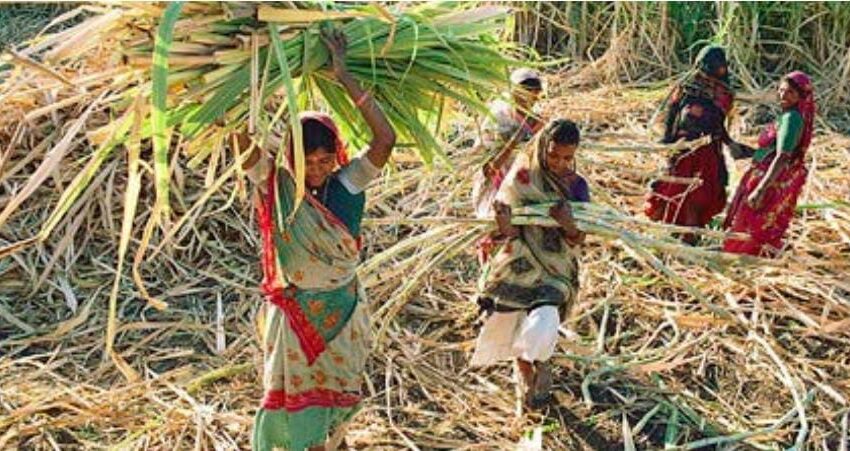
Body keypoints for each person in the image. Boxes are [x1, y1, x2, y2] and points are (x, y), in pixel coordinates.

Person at [243, 28, 396, 451]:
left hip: (341, 314)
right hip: (294, 319)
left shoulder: (348, 184)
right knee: (298, 408)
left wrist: (343, 75)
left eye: (325, 159)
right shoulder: (276, 187)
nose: (316, 169)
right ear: (290, 156)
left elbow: (385, 139)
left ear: (337, 157)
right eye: (306, 160)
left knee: (334, 407)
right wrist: (250, 75)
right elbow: (242, 144)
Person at [470, 119, 590, 410]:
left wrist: (568, 225)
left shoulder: (576, 186)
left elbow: (578, 240)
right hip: (518, 261)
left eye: (567, 158)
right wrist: (505, 225)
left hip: (556, 267)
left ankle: (532, 359)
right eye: (553, 155)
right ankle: (525, 375)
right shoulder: (521, 178)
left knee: (542, 323)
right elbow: (505, 235)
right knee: (511, 319)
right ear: (541, 146)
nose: (559, 163)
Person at [644, 45, 749, 243]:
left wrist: (670, 139)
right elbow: (674, 111)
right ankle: (685, 232)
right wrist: (669, 140)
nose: (718, 70)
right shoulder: (691, 86)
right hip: (691, 146)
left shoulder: (717, 90)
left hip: (701, 146)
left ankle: (686, 231)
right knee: (687, 190)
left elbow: (713, 121)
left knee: (690, 190)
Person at [723, 71, 816, 256]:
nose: (782, 95)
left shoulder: (792, 118)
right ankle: (758, 255)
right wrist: (748, 151)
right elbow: (775, 150)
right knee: (761, 223)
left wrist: (760, 189)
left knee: (752, 223)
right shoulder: (791, 116)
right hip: (769, 174)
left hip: (769, 178)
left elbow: (783, 156)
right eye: (781, 90)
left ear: (800, 96)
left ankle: (744, 257)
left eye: (789, 92)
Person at [473, 68, 544, 263]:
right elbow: (488, 168)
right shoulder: (497, 120)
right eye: (523, 94)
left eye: (533, 95)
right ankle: (486, 276)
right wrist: (515, 140)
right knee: (493, 228)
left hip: (519, 183)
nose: (529, 100)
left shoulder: (535, 119)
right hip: (496, 185)